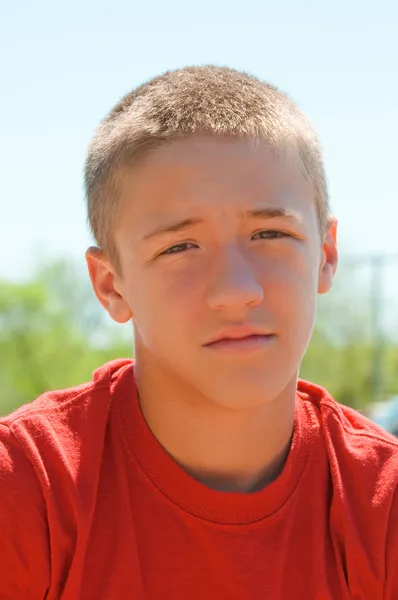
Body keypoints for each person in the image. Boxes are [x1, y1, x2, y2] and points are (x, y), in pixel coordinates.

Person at [1, 65, 397, 600]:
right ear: (111, 286)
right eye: (179, 247)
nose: (236, 289)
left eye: (270, 233)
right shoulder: (28, 489)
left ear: (325, 257)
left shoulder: (381, 503)